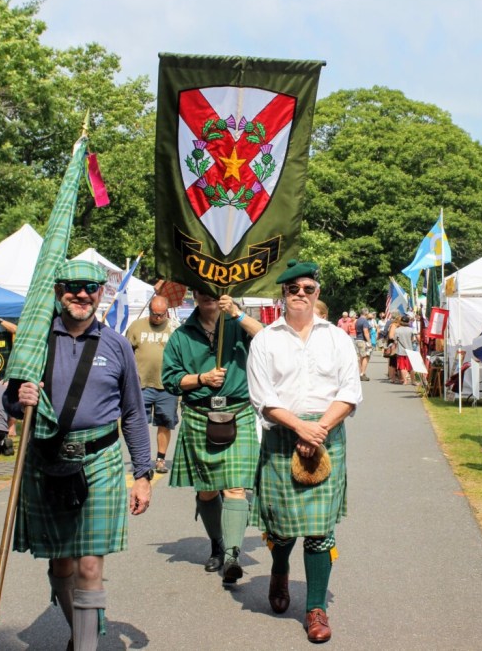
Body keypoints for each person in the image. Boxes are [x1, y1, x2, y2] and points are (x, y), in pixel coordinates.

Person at [6, 260, 152, 651]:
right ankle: (80, 631)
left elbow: (134, 413)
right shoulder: (35, 340)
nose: (82, 293)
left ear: (101, 293)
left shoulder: (117, 344)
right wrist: (18, 398)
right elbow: (8, 397)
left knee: (89, 564)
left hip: (100, 461)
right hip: (46, 459)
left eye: (90, 287)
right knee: (61, 564)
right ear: (58, 291)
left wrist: (143, 473)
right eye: (72, 286)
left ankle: (85, 646)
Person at [247, 259, 362, 643]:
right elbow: (262, 398)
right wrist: (299, 426)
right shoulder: (265, 339)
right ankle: (280, 570)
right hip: (283, 434)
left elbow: (350, 392)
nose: (300, 294)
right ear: (283, 293)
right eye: (293, 288)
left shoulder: (337, 338)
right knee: (281, 528)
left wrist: (319, 429)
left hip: (327, 433)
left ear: (317, 293)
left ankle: (316, 607)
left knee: (320, 532)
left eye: (307, 289)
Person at [162, 289, 263, 586]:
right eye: (201, 291)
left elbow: (269, 339)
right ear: (194, 295)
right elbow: (170, 379)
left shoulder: (238, 325)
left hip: (237, 412)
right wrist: (201, 379)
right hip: (198, 415)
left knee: (234, 488)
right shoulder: (181, 336)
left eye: (214, 291)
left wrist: (237, 313)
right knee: (207, 491)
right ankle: (218, 543)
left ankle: (233, 555)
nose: (208, 296)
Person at [126, 296, 179, 474]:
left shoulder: (175, 328)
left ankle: (160, 460)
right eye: (154, 314)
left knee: (165, 423)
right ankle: (141, 461)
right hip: (141, 384)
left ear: (167, 312)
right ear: (149, 310)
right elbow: (126, 352)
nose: (157, 318)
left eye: (161, 314)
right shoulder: (136, 326)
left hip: (167, 386)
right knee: (138, 423)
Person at [393, 315, 418, 385]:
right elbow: (413, 340)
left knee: (402, 367)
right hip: (410, 350)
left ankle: (405, 381)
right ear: (408, 322)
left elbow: (395, 341)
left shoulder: (397, 330)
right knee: (411, 367)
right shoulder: (411, 330)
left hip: (401, 351)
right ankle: (413, 381)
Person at [354, 308, 372, 382]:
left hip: (358, 339)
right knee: (366, 356)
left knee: (361, 357)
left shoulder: (357, 320)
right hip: (363, 340)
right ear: (366, 313)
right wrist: (369, 341)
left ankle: (361, 372)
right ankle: (362, 373)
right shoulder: (364, 321)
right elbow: (366, 331)